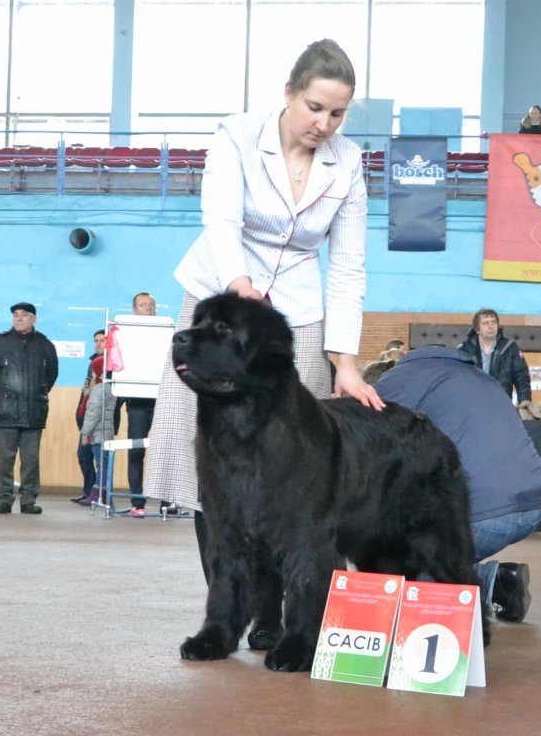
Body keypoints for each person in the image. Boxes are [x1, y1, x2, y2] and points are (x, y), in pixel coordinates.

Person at [144, 39, 384, 562]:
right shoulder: (238, 133)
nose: (324, 124)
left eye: (337, 114)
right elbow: (222, 220)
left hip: (297, 313)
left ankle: (281, 613)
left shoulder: (347, 163)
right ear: (289, 94)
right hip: (222, 300)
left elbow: (347, 265)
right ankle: (226, 605)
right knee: (207, 458)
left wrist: (346, 362)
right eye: (314, 107)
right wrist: (238, 283)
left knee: (301, 460)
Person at [375, 346, 541, 623]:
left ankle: (463, 593)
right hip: (533, 503)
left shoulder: (400, 379)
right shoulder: (479, 377)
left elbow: (369, 443)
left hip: (483, 513)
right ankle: (498, 582)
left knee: (407, 573)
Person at [0, 302, 59, 514]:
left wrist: (36, 395)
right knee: (4, 458)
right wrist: (1, 398)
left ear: (34, 319)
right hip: (6, 411)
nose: (19, 319)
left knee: (31, 459)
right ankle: (4, 498)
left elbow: (51, 376)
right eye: (15, 315)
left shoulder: (45, 345)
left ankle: (28, 500)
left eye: (24, 315)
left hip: (34, 411)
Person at [459, 308, 532, 406]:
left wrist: (525, 401)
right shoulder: (464, 350)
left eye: (493, 322)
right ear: (477, 329)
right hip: (472, 405)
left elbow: (522, 377)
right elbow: (456, 379)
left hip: (501, 405)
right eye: (485, 323)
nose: (491, 326)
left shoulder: (510, 348)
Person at [126, 292, 157, 517]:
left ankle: (168, 502)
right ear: (134, 309)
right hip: (136, 401)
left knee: (166, 451)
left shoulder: (166, 331)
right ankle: (138, 501)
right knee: (136, 452)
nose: (147, 307)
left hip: (162, 401)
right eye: (143, 305)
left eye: (150, 304)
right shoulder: (127, 333)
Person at [72, 328, 105, 504]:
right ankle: (89, 491)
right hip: (86, 418)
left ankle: (98, 493)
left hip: (98, 421)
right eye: (96, 340)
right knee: (84, 456)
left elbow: (99, 396)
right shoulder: (92, 363)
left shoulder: (109, 365)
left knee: (100, 459)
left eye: (102, 340)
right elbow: (86, 393)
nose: (98, 343)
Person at [79, 356, 117, 504]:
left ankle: (99, 495)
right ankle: (103, 495)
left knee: (101, 464)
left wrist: (85, 433)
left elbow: (93, 413)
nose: (92, 374)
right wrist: (87, 392)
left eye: (94, 370)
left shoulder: (99, 390)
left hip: (98, 433)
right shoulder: (106, 388)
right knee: (104, 463)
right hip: (105, 432)